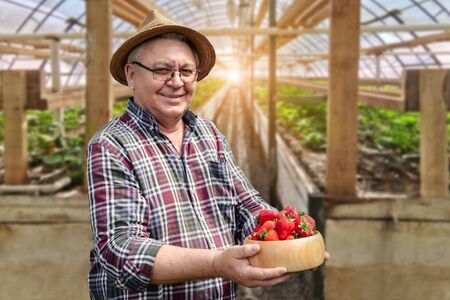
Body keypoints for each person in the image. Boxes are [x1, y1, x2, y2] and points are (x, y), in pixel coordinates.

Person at [87, 10, 320, 300]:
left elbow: (245, 204)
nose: (176, 81)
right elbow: (121, 251)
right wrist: (217, 263)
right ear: (132, 75)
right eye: (162, 70)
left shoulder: (208, 134)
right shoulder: (111, 145)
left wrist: (290, 239)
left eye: (186, 71)